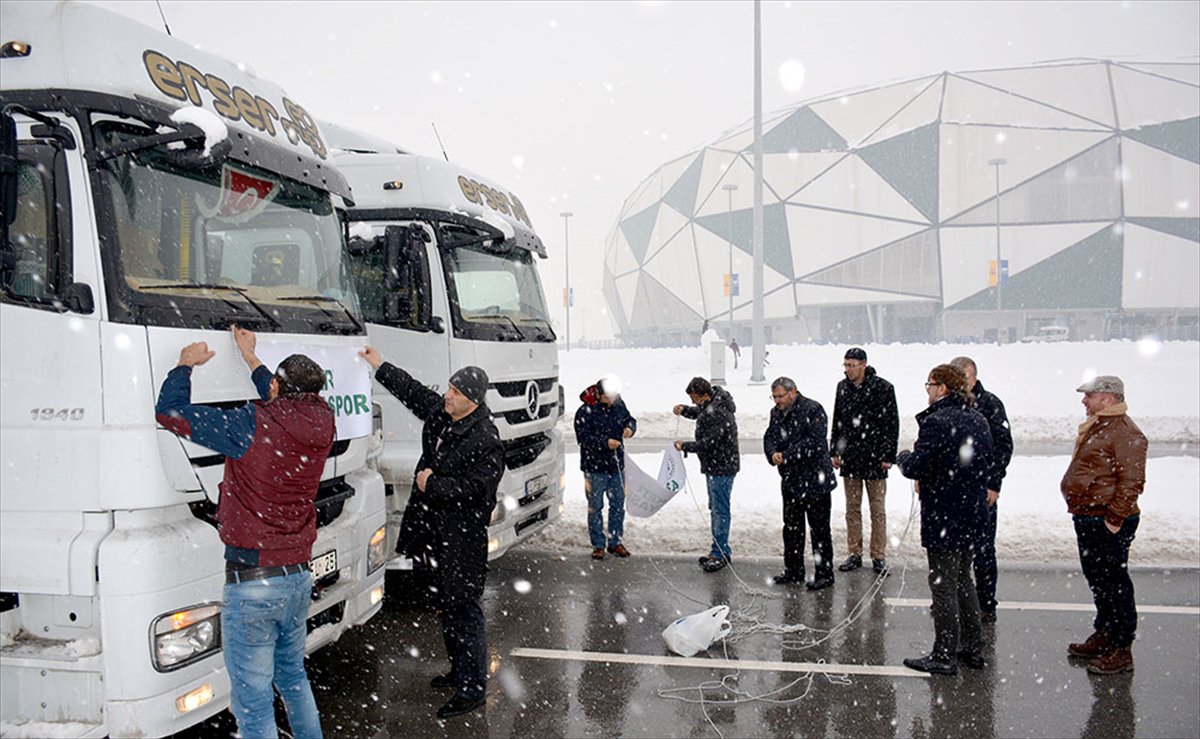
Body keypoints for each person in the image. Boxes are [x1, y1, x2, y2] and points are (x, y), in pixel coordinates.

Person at [156, 326, 331, 739]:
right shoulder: (323, 419)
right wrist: (250, 358)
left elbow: (170, 412)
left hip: (253, 581)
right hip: (297, 577)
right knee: (293, 680)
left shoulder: (249, 424)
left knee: (253, 704)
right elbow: (282, 396)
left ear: (276, 387)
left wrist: (184, 366)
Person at [360, 347, 504, 719]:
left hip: (462, 540)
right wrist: (379, 365)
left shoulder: (486, 438)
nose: (447, 395)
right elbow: (413, 392)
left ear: (471, 401)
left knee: (464, 609)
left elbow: (476, 491)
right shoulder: (443, 415)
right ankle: (460, 671)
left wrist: (432, 484)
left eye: (455, 392)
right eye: (449, 389)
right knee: (444, 605)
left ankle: (473, 688)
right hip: (433, 533)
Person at [895, 364, 993, 676]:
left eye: (930, 385)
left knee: (944, 584)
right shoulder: (977, 418)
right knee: (964, 578)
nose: (928, 390)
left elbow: (917, 466)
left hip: (946, 512)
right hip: (972, 510)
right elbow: (984, 462)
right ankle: (971, 648)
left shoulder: (938, 422)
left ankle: (944, 653)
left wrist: (903, 457)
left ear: (943, 389)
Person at [1061, 375, 1147, 675]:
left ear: (1108, 398)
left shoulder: (1124, 431)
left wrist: (1114, 519)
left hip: (1106, 519)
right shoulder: (1100, 425)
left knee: (1114, 583)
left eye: (1090, 396)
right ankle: (1105, 633)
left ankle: (1121, 648)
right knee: (1099, 580)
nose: (1084, 401)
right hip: (1089, 515)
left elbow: (1132, 480)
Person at [949, 356, 1013, 624]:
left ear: (973, 378)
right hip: (951, 489)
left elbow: (1003, 447)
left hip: (980, 489)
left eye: (962, 379)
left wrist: (993, 483)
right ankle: (951, 598)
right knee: (951, 549)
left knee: (984, 550)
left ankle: (986, 603)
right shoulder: (949, 405)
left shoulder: (990, 404)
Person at [763, 376, 838, 590]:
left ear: (792, 392)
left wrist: (786, 454)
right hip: (791, 480)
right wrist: (772, 454)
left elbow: (814, 442)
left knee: (819, 530)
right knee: (792, 528)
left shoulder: (813, 409)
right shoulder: (776, 412)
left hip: (815, 480)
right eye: (774, 397)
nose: (776, 401)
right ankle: (794, 570)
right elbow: (770, 436)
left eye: (780, 396)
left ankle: (824, 573)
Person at [831, 347, 899, 575]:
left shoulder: (883, 388)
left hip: (875, 458)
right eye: (845, 365)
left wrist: (888, 455)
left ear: (863, 365)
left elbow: (892, 424)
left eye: (851, 365)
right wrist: (835, 450)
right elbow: (838, 420)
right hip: (851, 457)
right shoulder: (842, 388)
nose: (847, 370)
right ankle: (854, 552)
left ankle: (878, 556)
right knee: (852, 508)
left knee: (877, 509)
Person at [673, 377, 740, 572]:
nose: (694, 402)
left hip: (722, 467)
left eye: (695, 399)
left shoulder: (719, 412)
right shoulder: (712, 402)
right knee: (716, 508)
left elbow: (710, 443)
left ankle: (720, 553)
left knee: (720, 510)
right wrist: (685, 410)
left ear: (704, 394)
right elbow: (700, 412)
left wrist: (685, 446)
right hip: (715, 466)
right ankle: (719, 549)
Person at [574, 375, 637, 559]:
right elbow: (583, 439)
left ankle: (615, 542)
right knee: (595, 506)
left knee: (617, 504)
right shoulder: (585, 411)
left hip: (616, 465)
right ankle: (598, 545)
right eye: (607, 398)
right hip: (594, 467)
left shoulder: (618, 404)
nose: (611, 401)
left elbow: (630, 420)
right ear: (598, 395)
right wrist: (604, 443)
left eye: (613, 397)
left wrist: (630, 429)